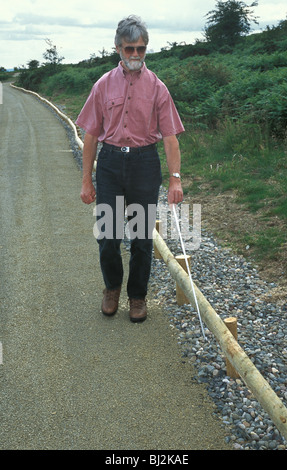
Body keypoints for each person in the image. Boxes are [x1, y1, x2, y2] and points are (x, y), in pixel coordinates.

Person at [76, 15, 185, 323]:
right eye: (129, 49)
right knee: (108, 235)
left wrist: (175, 180)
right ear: (117, 49)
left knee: (140, 236)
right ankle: (112, 288)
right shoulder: (102, 85)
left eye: (140, 49)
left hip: (144, 165)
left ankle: (137, 296)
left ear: (146, 49)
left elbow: (170, 137)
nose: (135, 55)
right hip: (110, 164)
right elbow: (91, 136)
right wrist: (87, 180)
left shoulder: (158, 88)